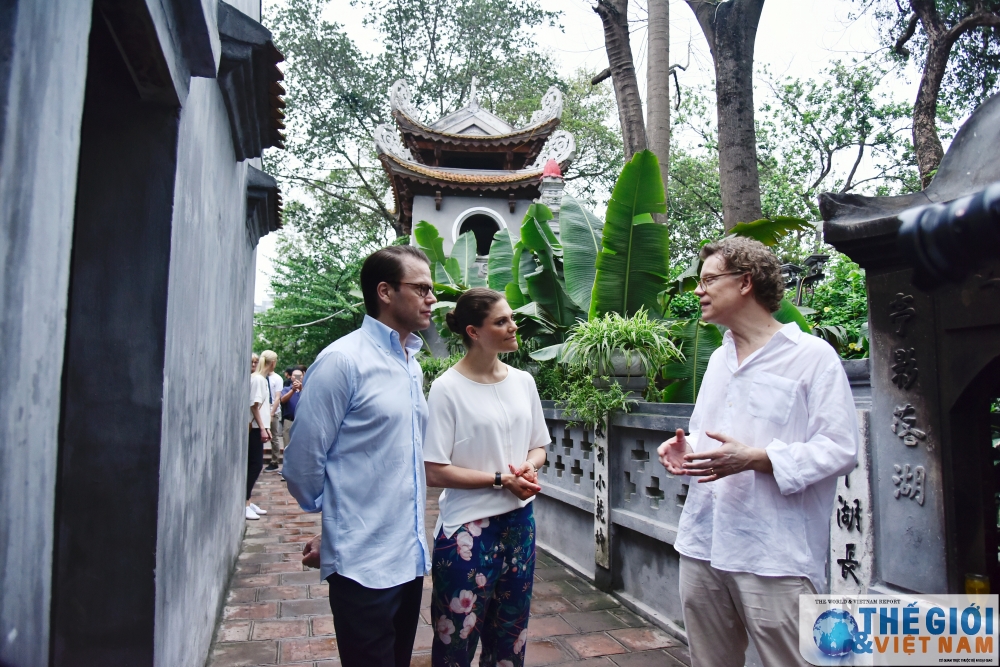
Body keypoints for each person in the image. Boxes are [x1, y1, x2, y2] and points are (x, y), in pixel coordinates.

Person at [656, 237, 858, 667]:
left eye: (709, 280)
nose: (698, 290)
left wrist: (757, 459)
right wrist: (684, 448)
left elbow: (840, 448)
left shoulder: (812, 357)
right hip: (703, 542)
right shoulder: (718, 359)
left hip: (774, 554)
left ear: (745, 282)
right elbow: (706, 434)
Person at [284, 245, 437, 667]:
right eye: (421, 288)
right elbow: (302, 463)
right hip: (361, 565)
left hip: (408, 557)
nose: (431, 299)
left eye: (432, 289)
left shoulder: (411, 363)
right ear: (385, 292)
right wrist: (339, 523)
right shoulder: (342, 361)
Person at [423, 288, 548, 667]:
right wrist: (499, 479)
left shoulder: (523, 381)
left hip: (520, 524)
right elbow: (434, 469)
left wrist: (529, 466)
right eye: (501, 321)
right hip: (467, 529)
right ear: (474, 332)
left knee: (511, 638)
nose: (513, 326)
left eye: (512, 318)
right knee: (455, 641)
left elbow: (539, 446)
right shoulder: (446, 389)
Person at [248, 350, 276, 520]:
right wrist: (262, 427)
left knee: (254, 465)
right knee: (255, 465)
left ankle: (248, 501)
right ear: (272, 363)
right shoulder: (258, 379)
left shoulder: (260, 379)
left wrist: (266, 427)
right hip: (254, 428)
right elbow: (254, 406)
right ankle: (245, 503)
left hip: (258, 426)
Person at [264, 356, 284, 472]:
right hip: (262, 410)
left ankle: (274, 461)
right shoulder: (261, 377)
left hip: (273, 411)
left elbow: (277, 398)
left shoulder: (277, 378)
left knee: (274, 437)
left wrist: (271, 413)